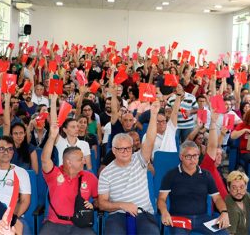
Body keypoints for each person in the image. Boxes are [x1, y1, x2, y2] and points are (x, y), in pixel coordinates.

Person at [98, 100, 161, 235]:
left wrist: (154, 114)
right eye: (121, 149)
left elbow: (150, 139)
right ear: (113, 151)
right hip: (118, 214)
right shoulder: (106, 173)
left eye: (128, 148)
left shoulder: (140, 159)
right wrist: (122, 205)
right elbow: (102, 203)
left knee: (152, 232)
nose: (126, 151)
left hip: (142, 213)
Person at [40, 94, 98, 234]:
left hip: (79, 223)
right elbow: (45, 159)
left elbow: (99, 199)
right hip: (55, 222)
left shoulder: (89, 177)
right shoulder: (56, 170)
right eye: (80, 159)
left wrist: (94, 205)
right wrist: (53, 102)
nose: (83, 160)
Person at [158, 141, 230, 234]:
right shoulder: (171, 175)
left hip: (203, 219)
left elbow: (217, 198)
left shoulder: (206, 175)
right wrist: (164, 212)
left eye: (195, 156)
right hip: (180, 219)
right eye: (188, 156)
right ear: (181, 157)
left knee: (224, 233)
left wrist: (224, 212)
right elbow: (161, 199)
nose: (193, 160)